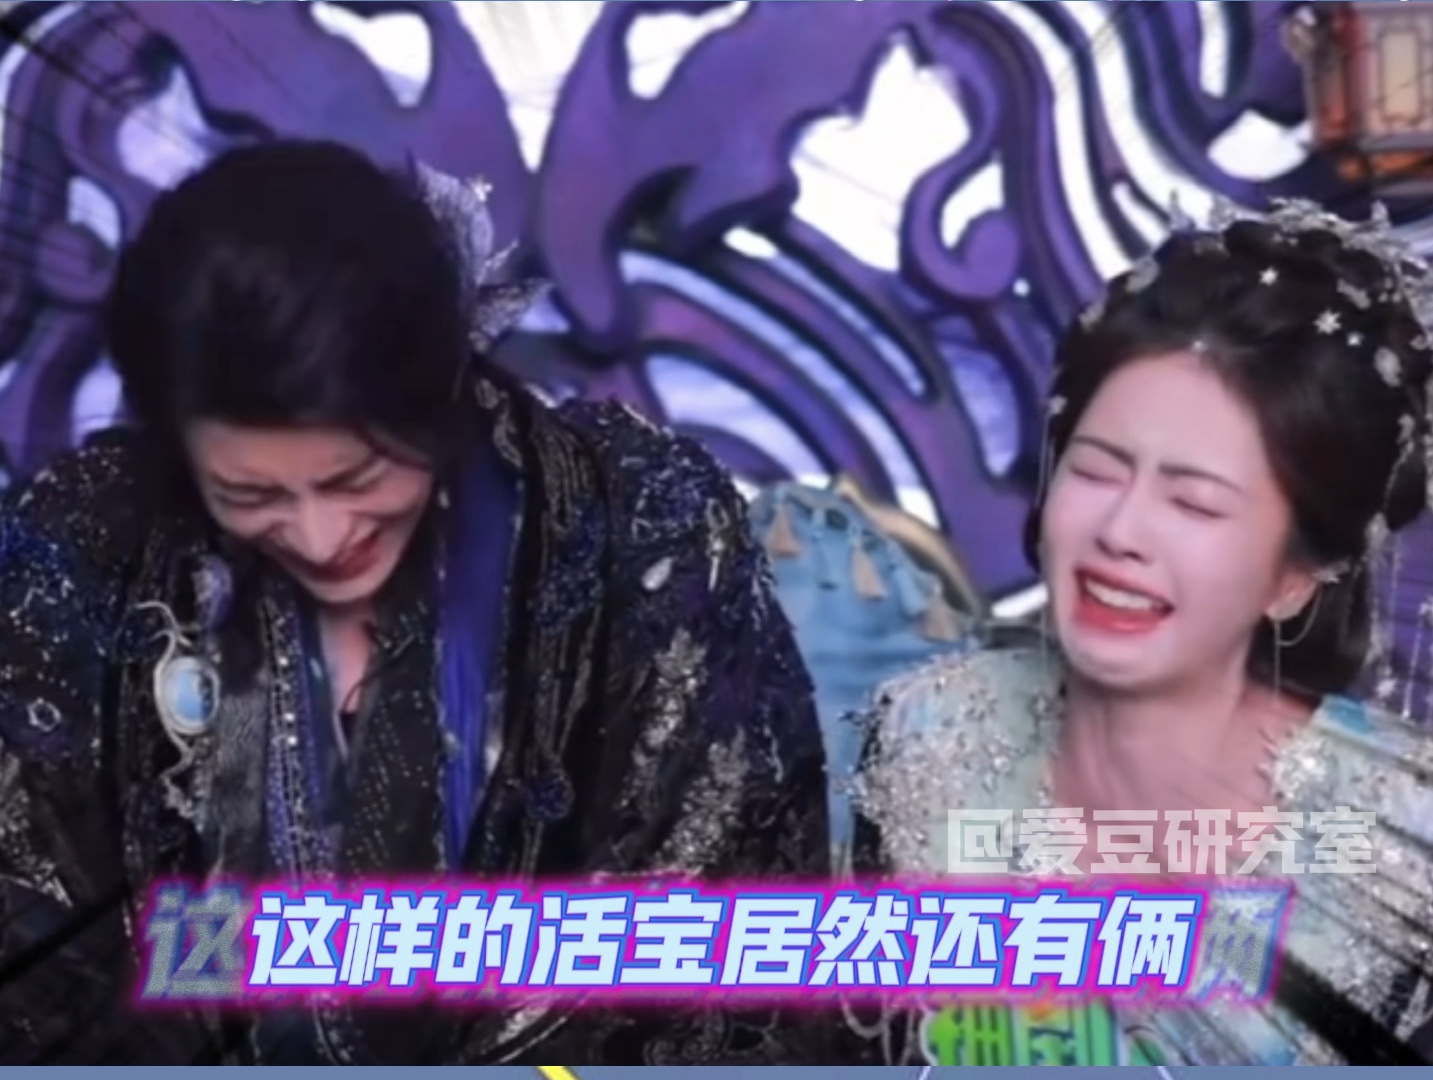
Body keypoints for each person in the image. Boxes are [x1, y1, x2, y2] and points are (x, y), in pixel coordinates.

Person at [0, 140, 833, 1064]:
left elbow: (723, 940)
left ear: (439, 391)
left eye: (356, 476)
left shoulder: (639, 530)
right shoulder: (92, 545)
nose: (320, 536)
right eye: (250, 494)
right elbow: (44, 949)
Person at [847, 200, 1433, 1065]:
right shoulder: (924, 735)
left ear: (1295, 575)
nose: (1122, 531)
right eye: (1096, 470)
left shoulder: (1406, 844)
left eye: (1194, 503)